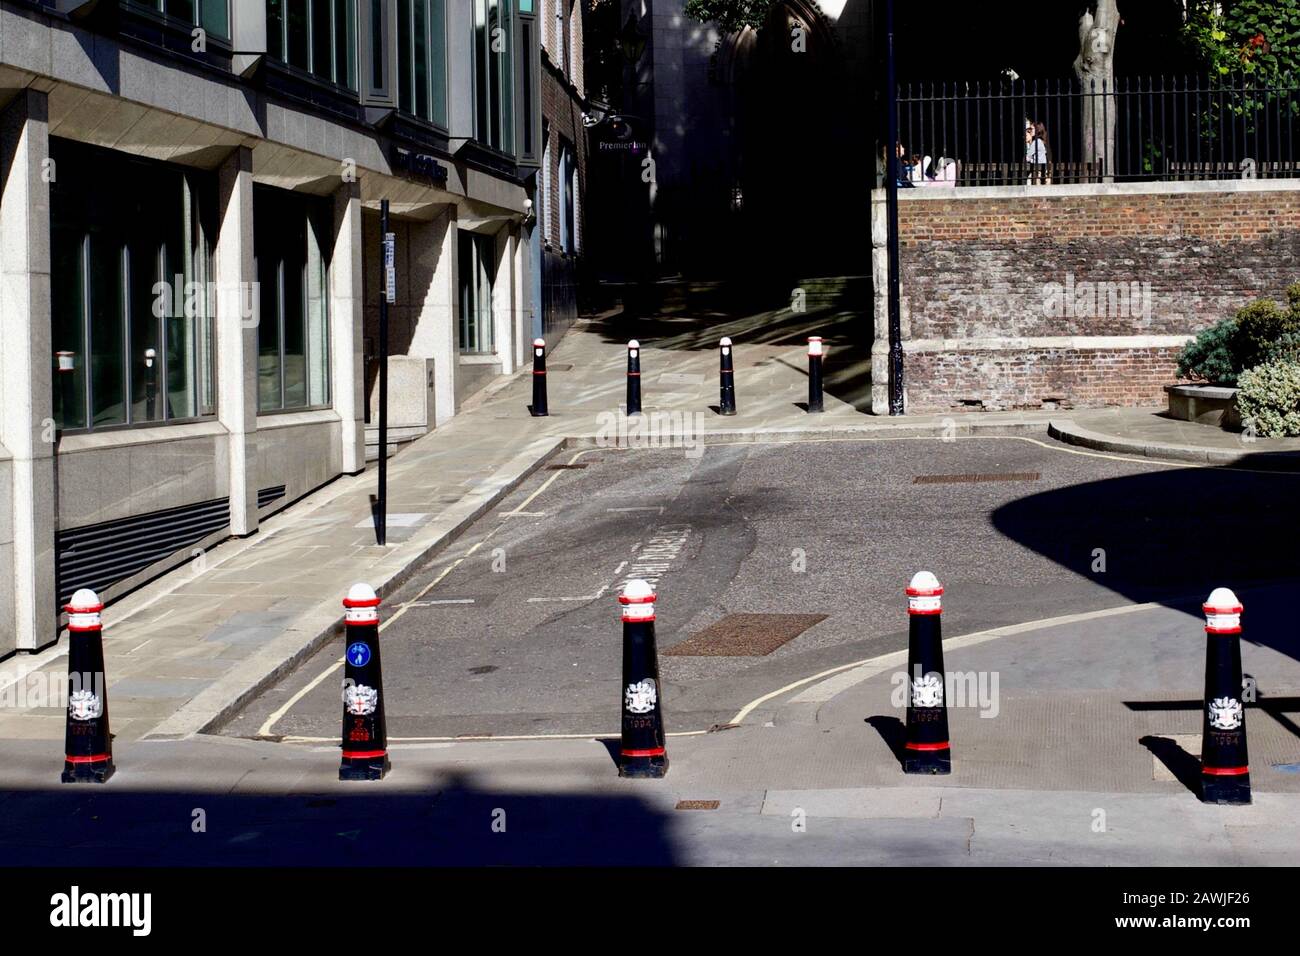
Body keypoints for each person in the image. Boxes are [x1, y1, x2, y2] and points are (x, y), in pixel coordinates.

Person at [1026, 120, 1051, 185]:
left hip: (1038, 169)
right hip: (1044, 167)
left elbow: (1027, 157)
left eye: (1032, 129)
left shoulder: (1036, 142)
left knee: (1037, 187)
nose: (1030, 130)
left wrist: (1030, 159)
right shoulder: (1042, 141)